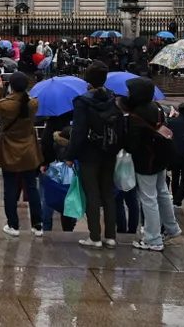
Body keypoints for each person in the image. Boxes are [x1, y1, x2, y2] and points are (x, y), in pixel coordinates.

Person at [63, 62, 123, 249]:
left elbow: (78, 132)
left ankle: (95, 236)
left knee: (92, 194)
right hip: (110, 151)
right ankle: (111, 236)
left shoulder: (82, 101)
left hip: (90, 152)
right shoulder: (114, 98)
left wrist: (70, 154)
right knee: (108, 193)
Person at [123, 77, 182, 251]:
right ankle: (172, 228)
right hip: (161, 157)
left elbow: (132, 144)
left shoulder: (135, 115)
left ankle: (153, 239)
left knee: (148, 199)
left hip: (146, 160)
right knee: (162, 192)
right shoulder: (156, 107)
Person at [0, 72, 43, 237]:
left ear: (11, 85)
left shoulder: (6, 105)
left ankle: (13, 224)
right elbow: (25, 102)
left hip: (10, 149)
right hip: (28, 149)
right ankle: (37, 224)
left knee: (10, 187)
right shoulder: (33, 103)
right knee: (32, 187)